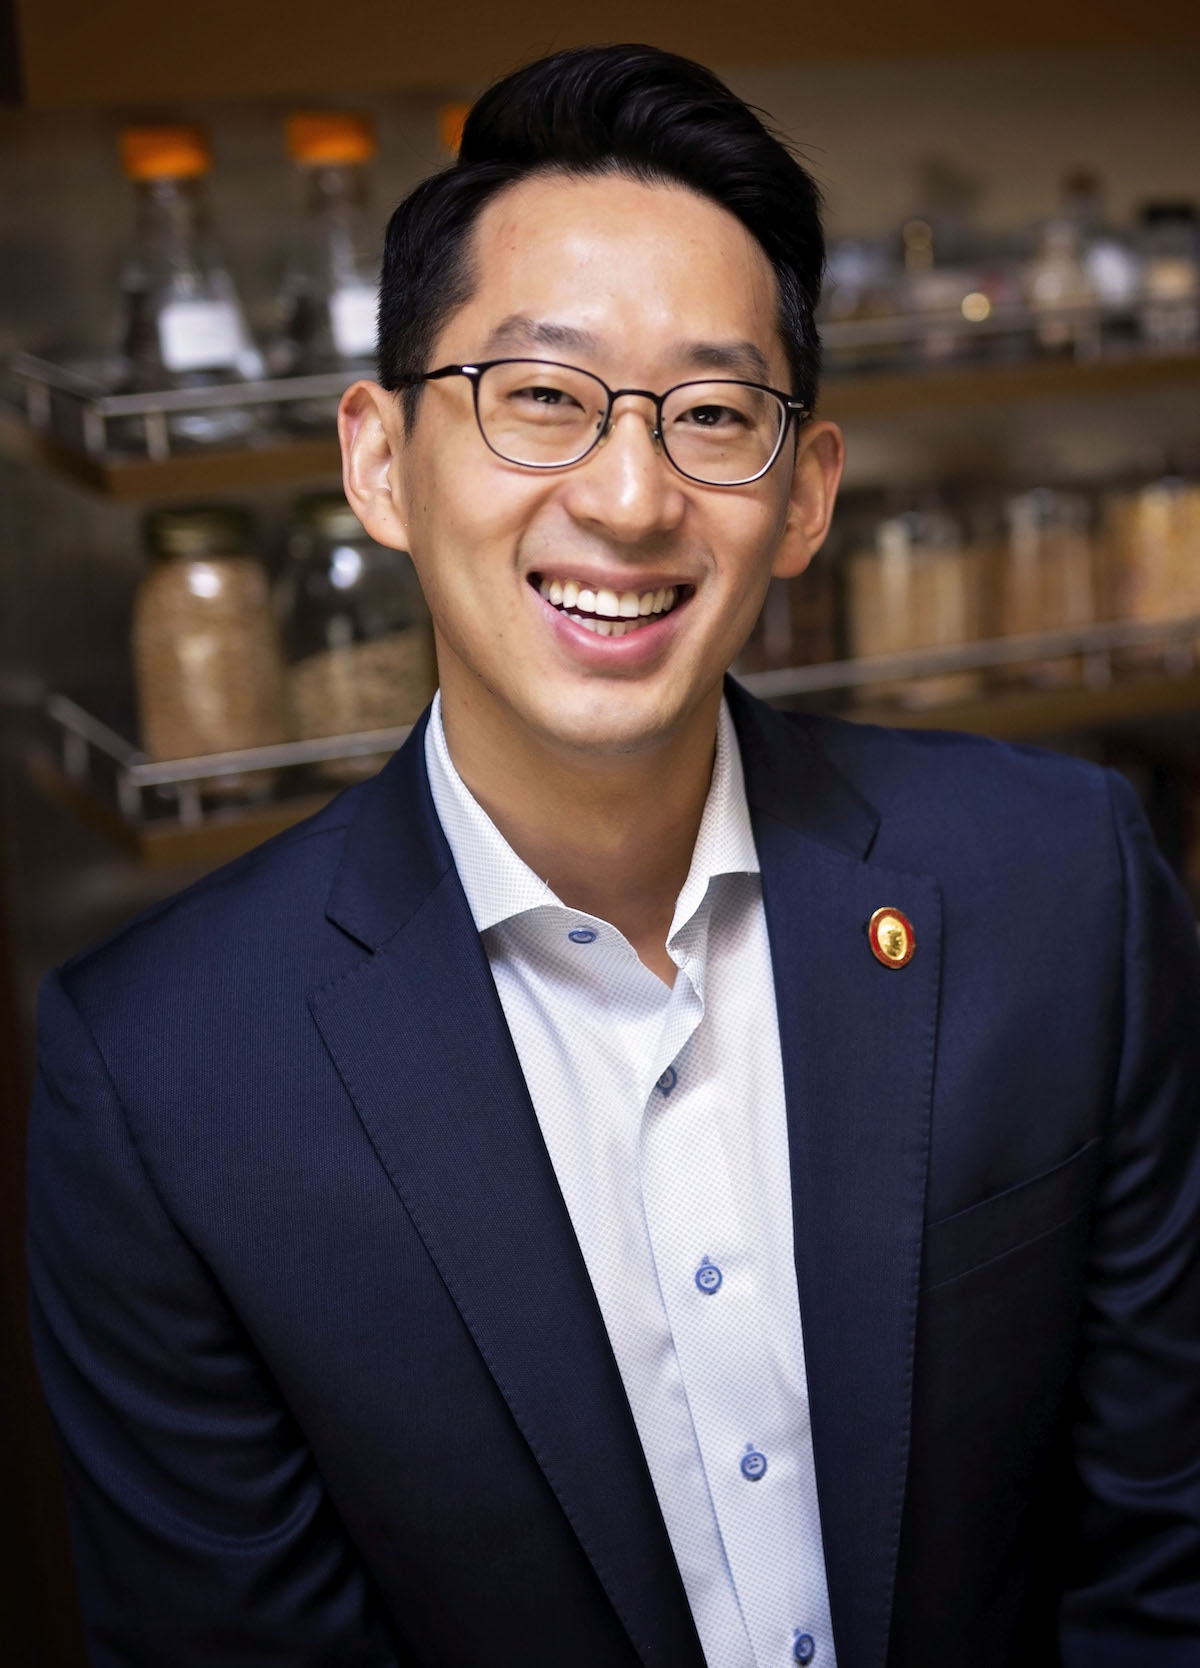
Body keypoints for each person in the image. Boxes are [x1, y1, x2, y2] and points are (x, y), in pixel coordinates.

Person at [26, 44, 1200, 1668]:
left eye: (715, 413)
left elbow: (1165, 1546)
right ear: (380, 461)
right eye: (541, 399)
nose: (632, 496)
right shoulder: (164, 1082)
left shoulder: (1062, 885)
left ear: (804, 497)